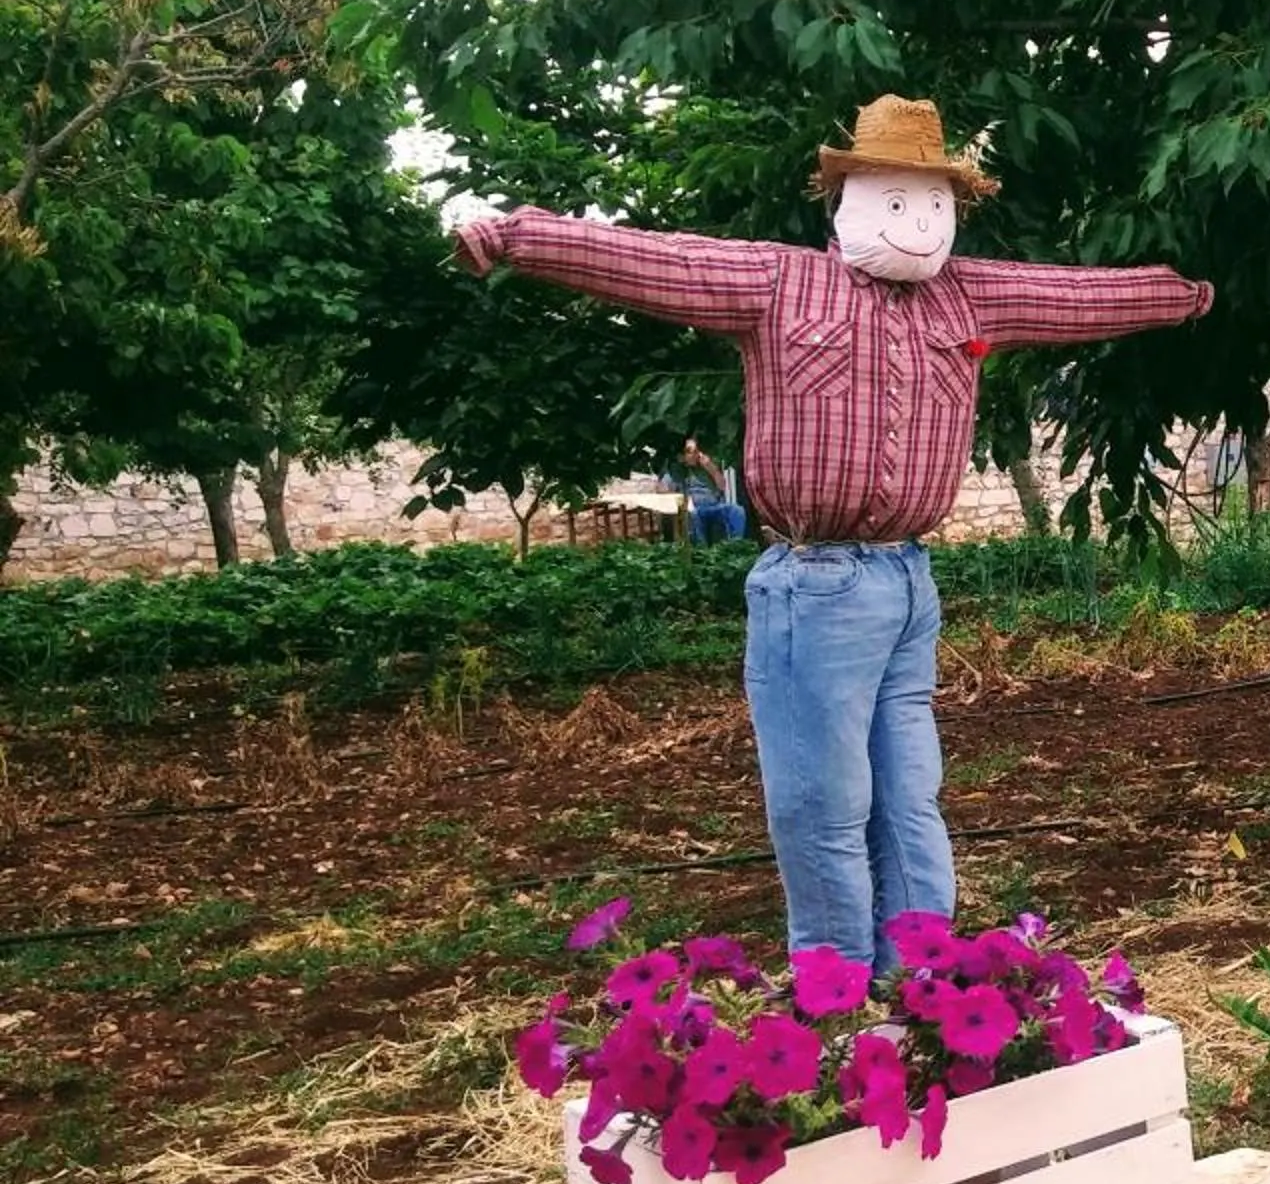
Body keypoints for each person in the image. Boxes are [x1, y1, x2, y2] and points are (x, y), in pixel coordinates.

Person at [455, 95, 1214, 970]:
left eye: (935, 207)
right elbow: (656, 261)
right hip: (815, 581)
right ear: (847, 200)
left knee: (909, 797)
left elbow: (1078, 296)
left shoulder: (967, 296)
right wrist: (520, 236)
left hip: (907, 581)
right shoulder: (780, 283)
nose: (919, 225)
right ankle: (837, 997)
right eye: (897, 203)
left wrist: (1183, 296)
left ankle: (923, 988)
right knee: (826, 802)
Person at [678, 439, 750, 544]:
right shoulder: (679, 471)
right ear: (682, 456)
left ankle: (736, 544)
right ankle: (703, 551)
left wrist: (710, 467)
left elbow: (722, 486)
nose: (694, 455)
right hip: (695, 508)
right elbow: (664, 487)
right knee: (693, 515)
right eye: (689, 451)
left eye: (696, 451)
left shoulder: (706, 467)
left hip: (714, 505)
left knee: (737, 510)